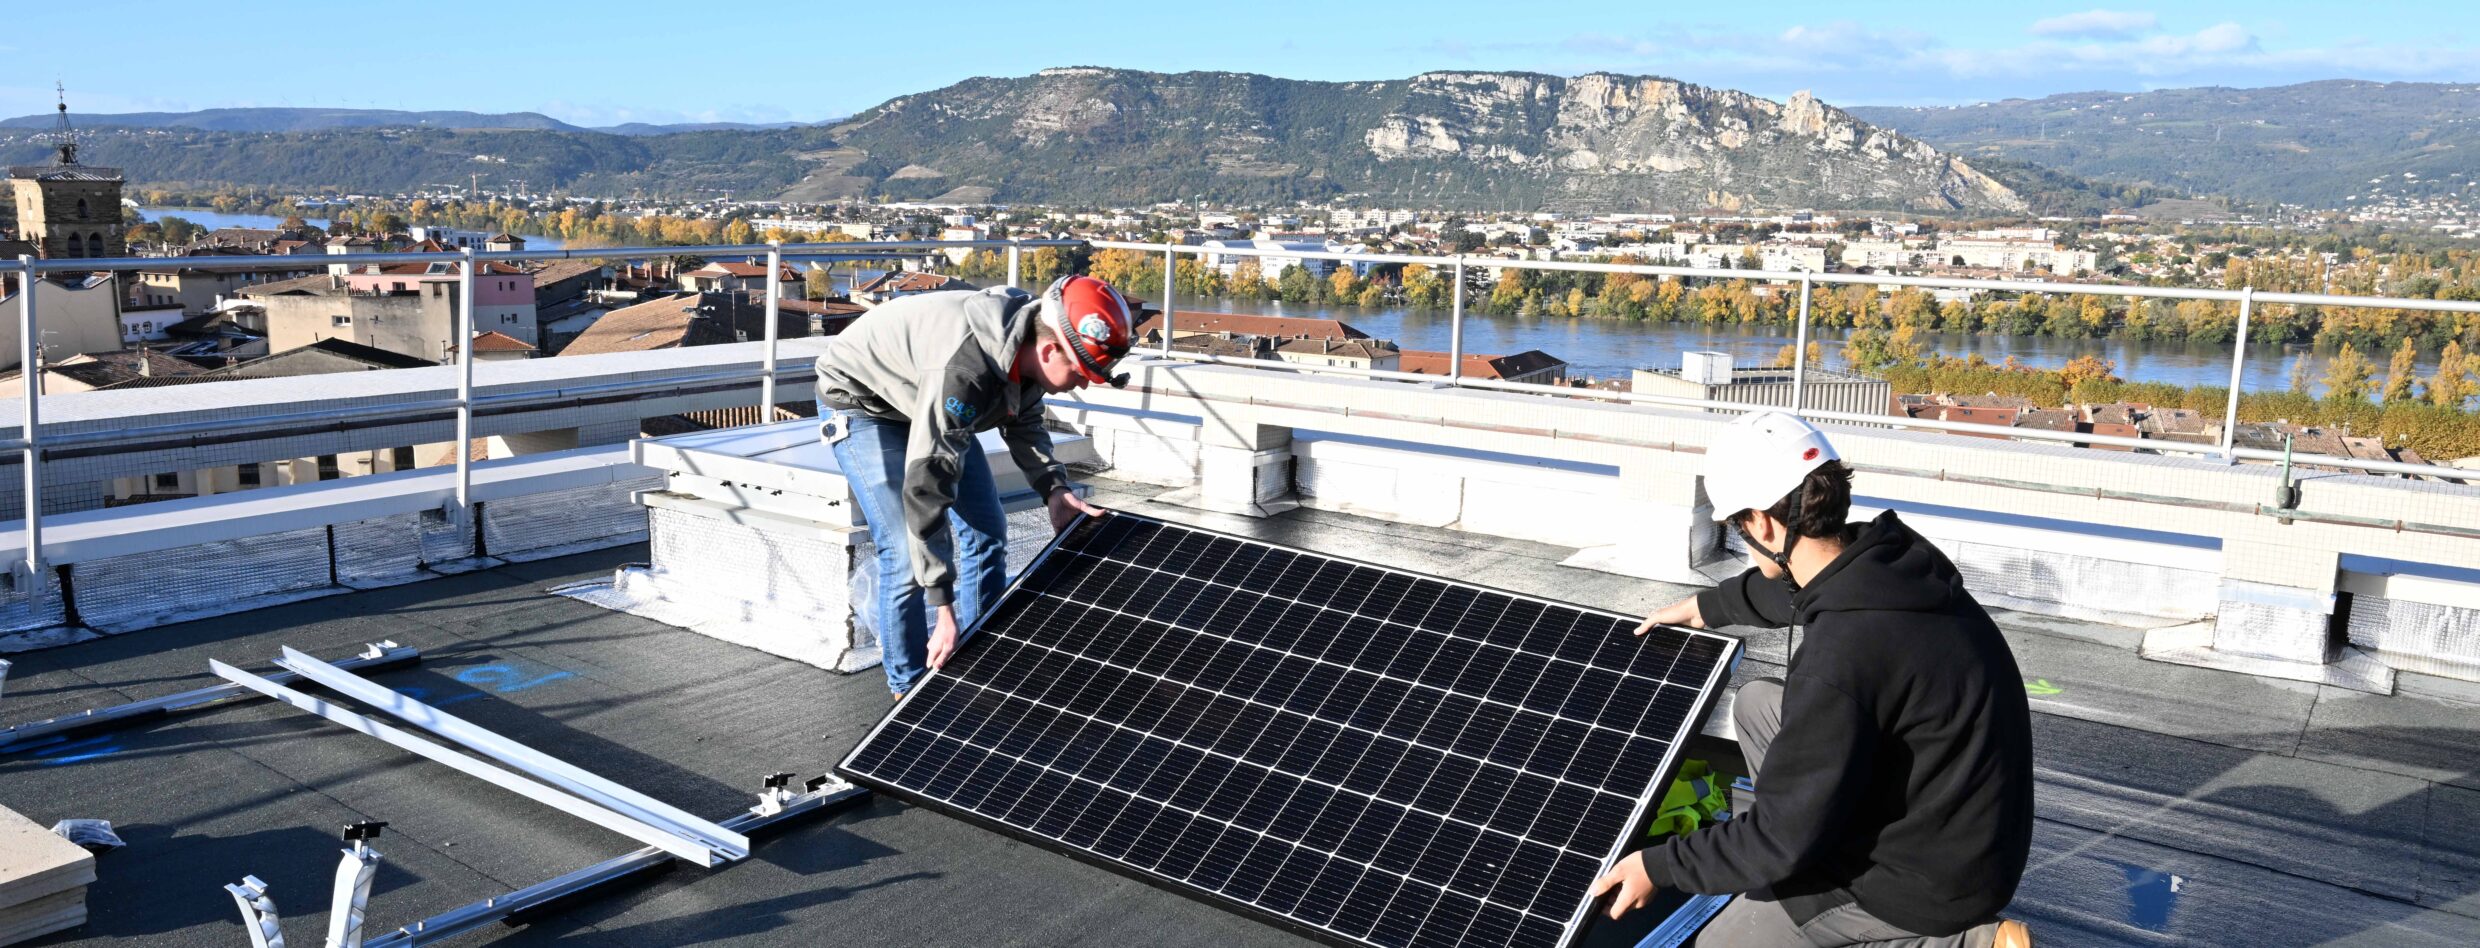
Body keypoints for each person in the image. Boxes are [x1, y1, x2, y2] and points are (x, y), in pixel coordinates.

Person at [1590, 411, 2036, 948]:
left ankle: (1963, 943)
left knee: (1716, 944)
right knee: (1757, 704)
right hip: (1971, 832)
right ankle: (1802, 828)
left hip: (1923, 884)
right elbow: (1798, 590)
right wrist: (1706, 607)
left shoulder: (1842, 656)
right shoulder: (1895, 562)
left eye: (1738, 528)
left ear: (1764, 524)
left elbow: (1781, 837)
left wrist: (1659, 865)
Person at [813, 274, 1131, 697]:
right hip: (863, 400)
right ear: (1051, 349)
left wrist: (1054, 488)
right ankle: (908, 692)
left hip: (924, 397)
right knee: (906, 551)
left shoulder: (1028, 338)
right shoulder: (966, 371)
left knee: (987, 531)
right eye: (1083, 370)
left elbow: (1025, 421)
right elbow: (926, 489)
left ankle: (981, 661)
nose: (1087, 382)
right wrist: (943, 607)